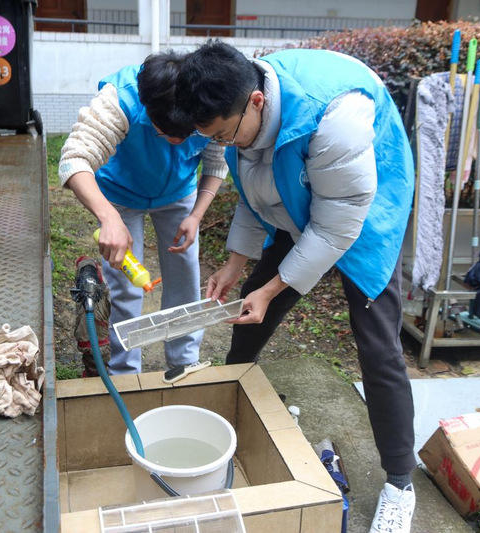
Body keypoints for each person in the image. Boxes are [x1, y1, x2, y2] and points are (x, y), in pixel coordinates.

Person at [176, 41, 417, 533]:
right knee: (248, 313)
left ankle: (400, 482)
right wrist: (236, 264)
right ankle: (229, 406)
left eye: (223, 134)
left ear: (257, 102)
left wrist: (270, 290)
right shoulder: (240, 110)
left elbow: (334, 227)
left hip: (365, 210)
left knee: (377, 345)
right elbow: (255, 194)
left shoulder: (336, 119)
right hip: (302, 194)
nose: (224, 145)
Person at [58, 50, 228, 375]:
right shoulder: (119, 101)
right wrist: (109, 217)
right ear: (148, 110)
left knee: (185, 276)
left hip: (179, 192)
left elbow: (217, 164)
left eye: (188, 134)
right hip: (120, 194)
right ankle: (125, 370)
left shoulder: (207, 97)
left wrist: (196, 215)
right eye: (166, 133)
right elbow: (73, 160)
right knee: (126, 284)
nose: (177, 141)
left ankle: (184, 361)